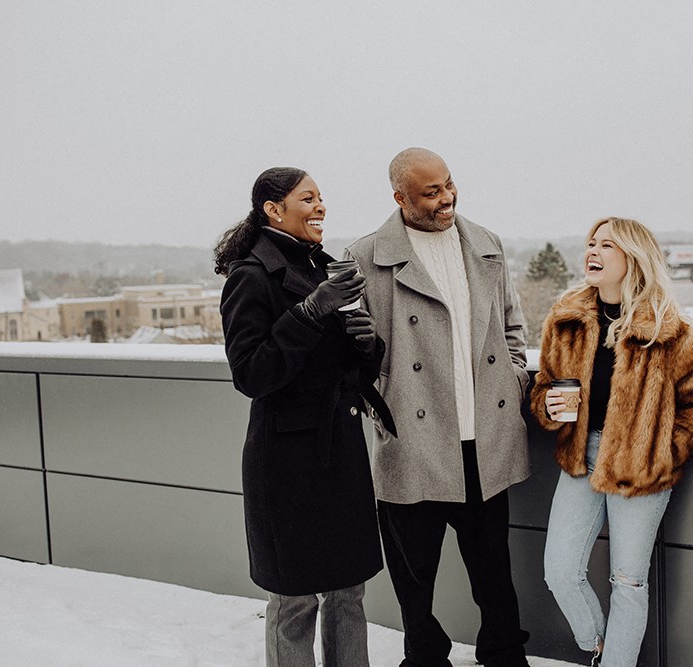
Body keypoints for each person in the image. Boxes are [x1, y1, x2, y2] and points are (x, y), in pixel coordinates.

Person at [345, 148, 531, 667]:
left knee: (494, 568)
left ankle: (504, 651)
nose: (446, 197)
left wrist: (514, 376)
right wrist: (383, 402)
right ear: (400, 198)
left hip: (484, 438)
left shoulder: (486, 244)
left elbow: (512, 326)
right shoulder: (364, 257)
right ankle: (424, 656)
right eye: (431, 191)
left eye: (449, 184)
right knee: (413, 577)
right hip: (414, 439)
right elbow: (351, 351)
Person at [215, 167, 394, 667]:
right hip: (286, 461)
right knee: (294, 600)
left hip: (339, 448)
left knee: (347, 591)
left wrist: (364, 344)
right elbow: (251, 374)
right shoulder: (250, 276)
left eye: (321, 198)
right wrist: (311, 313)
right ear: (274, 209)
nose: (320, 207)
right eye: (308, 198)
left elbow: (341, 369)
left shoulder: (325, 267)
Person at [531, 217, 693, 667]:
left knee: (629, 582)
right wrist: (548, 407)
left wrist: (660, 450)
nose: (593, 253)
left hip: (641, 471)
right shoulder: (566, 320)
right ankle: (600, 649)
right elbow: (541, 388)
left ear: (633, 259)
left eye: (607, 246)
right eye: (591, 244)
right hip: (581, 460)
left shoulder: (667, 327)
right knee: (559, 571)